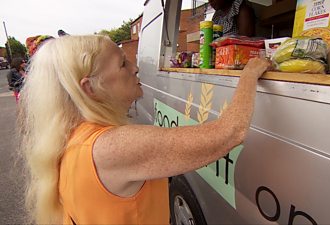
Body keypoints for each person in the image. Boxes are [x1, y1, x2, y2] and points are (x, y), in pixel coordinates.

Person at [17, 35, 270, 224]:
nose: (135, 67)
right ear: (90, 88)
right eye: (122, 64)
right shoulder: (111, 147)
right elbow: (229, 132)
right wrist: (249, 73)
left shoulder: (74, 136)